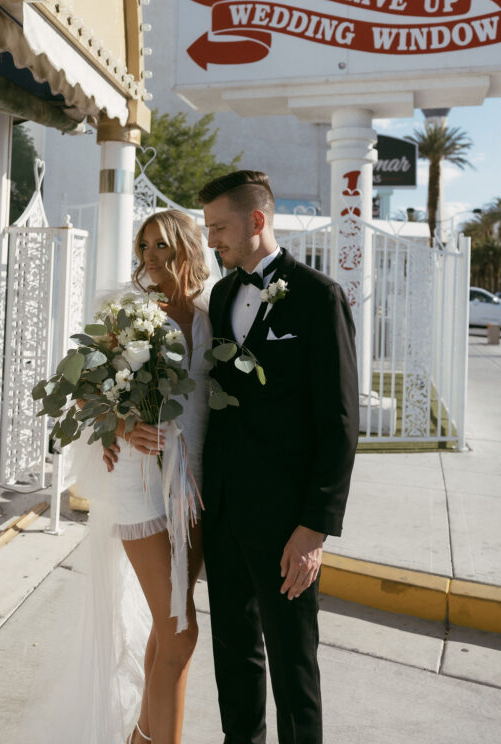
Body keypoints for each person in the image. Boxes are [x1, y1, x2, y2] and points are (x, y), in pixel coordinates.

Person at [198, 170, 359, 744]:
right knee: (234, 655)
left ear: (256, 222)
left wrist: (314, 526)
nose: (211, 239)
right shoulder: (220, 295)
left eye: (219, 227)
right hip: (221, 512)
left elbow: (340, 423)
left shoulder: (319, 297)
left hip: (287, 522)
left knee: (293, 664)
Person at [93, 209, 214, 744]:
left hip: (195, 485)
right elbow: (84, 397)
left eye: (162, 245)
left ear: (188, 246)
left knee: (169, 636)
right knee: (181, 635)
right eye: (145, 246)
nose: (151, 257)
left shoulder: (214, 313)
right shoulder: (126, 311)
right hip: (141, 482)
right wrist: (123, 422)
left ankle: (142, 740)